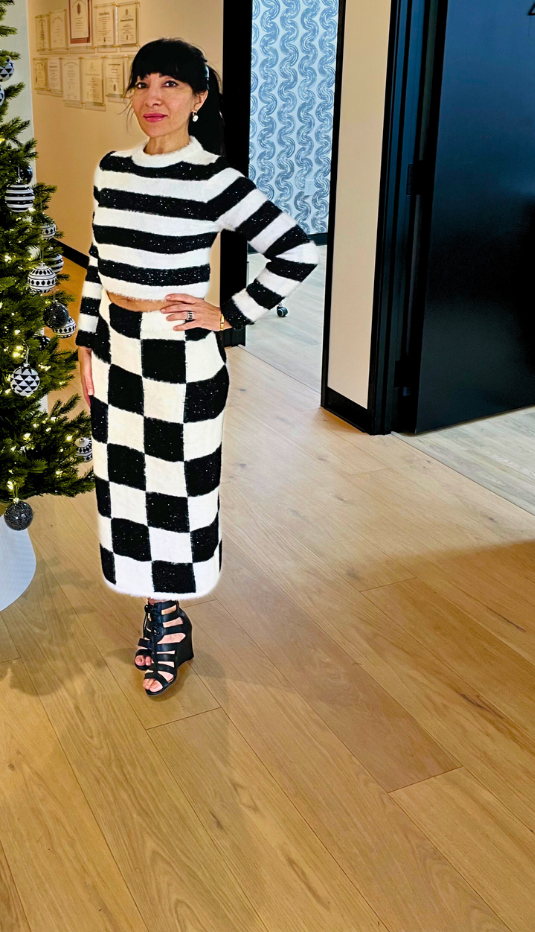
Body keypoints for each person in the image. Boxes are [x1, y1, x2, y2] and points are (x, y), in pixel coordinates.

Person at [75, 38, 318, 696]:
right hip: (118, 347)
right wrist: (85, 339)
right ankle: (156, 609)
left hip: (179, 357)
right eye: (143, 84)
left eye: (171, 86)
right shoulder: (110, 168)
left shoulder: (212, 178)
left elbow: (296, 253)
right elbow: (98, 258)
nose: (153, 98)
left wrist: (229, 312)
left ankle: (170, 618)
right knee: (124, 486)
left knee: (177, 493)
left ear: (198, 98)